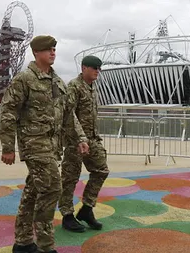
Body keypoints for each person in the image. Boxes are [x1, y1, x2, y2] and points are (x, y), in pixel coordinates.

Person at [0, 35, 89, 253]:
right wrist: (8, 147)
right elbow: (8, 112)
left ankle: (23, 243)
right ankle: (46, 245)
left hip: (52, 146)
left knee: (33, 192)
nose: (53, 53)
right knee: (52, 188)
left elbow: (69, 115)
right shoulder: (24, 79)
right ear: (36, 53)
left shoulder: (57, 81)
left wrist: (80, 138)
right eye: (48, 49)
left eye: (55, 49)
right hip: (34, 145)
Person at [58, 55, 110, 233]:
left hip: (92, 139)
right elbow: (69, 113)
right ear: (84, 68)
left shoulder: (92, 87)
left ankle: (87, 209)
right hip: (75, 141)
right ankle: (67, 215)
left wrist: (92, 137)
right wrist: (80, 138)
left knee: (101, 170)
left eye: (99, 68)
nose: (97, 71)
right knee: (70, 178)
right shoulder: (74, 86)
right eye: (94, 67)